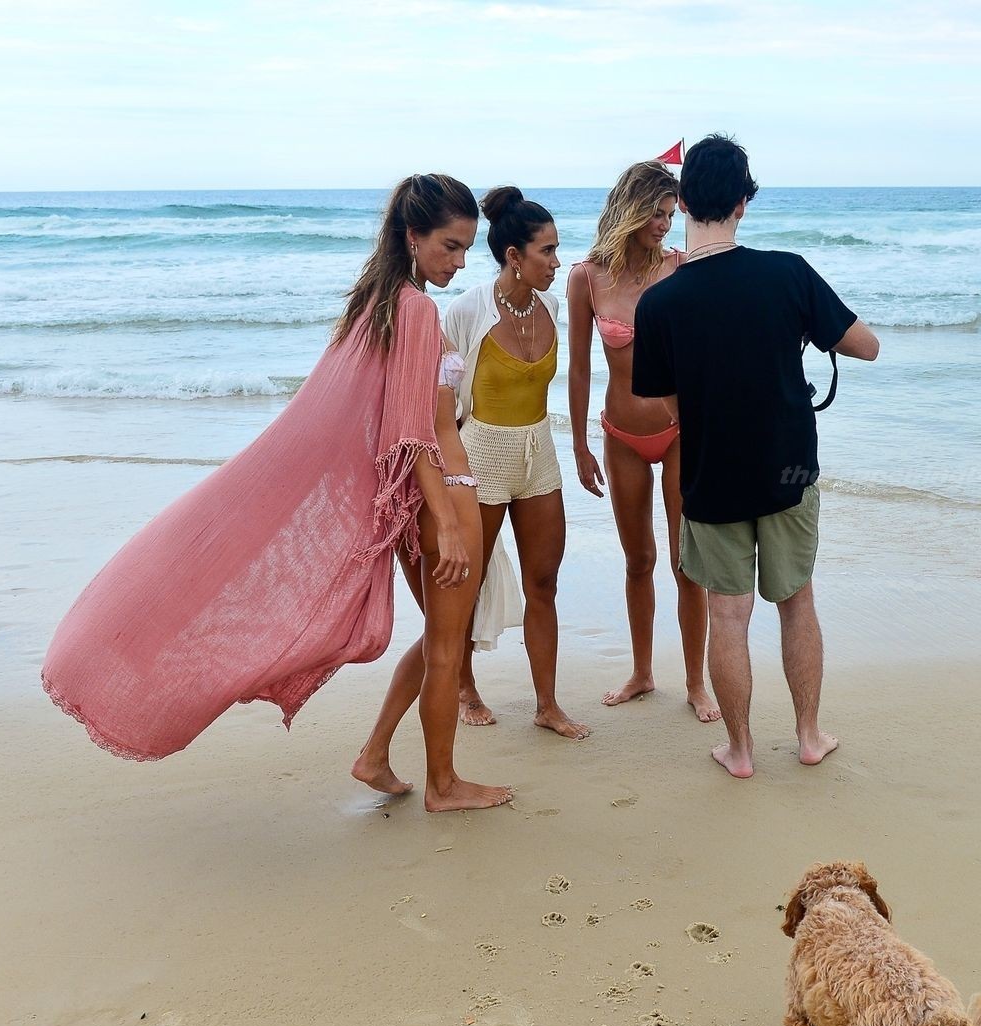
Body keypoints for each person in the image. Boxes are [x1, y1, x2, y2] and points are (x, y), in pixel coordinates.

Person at [45, 173, 510, 812]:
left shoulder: (375, 305)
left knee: (440, 638)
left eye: (466, 249)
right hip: (445, 492)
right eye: (449, 246)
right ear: (412, 236)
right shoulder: (416, 309)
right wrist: (451, 523)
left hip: (415, 501)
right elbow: (411, 434)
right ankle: (443, 785)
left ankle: (376, 755)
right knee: (448, 645)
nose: (458, 262)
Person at [630, 135, 880, 779]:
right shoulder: (788, 273)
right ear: (744, 202)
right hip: (787, 470)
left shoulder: (659, 302)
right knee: (796, 602)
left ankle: (739, 750)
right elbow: (867, 346)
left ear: (684, 202)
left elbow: (663, 402)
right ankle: (808, 737)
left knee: (727, 613)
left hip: (711, 474)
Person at [568, 161, 718, 723]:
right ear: (630, 210)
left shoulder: (681, 268)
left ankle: (697, 682)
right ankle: (642, 672)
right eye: (656, 213)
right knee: (639, 560)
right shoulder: (587, 278)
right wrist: (580, 445)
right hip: (620, 434)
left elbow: (706, 353)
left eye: (670, 214)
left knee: (686, 562)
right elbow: (579, 368)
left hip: (680, 433)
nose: (665, 223)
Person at [439, 187, 590, 741]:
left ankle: (547, 704)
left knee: (543, 581)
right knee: (468, 582)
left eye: (557, 250)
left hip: (538, 454)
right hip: (481, 455)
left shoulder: (551, 307)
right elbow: (444, 402)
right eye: (547, 251)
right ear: (514, 257)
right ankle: (464, 687)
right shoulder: (467, 311)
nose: (557, 262)